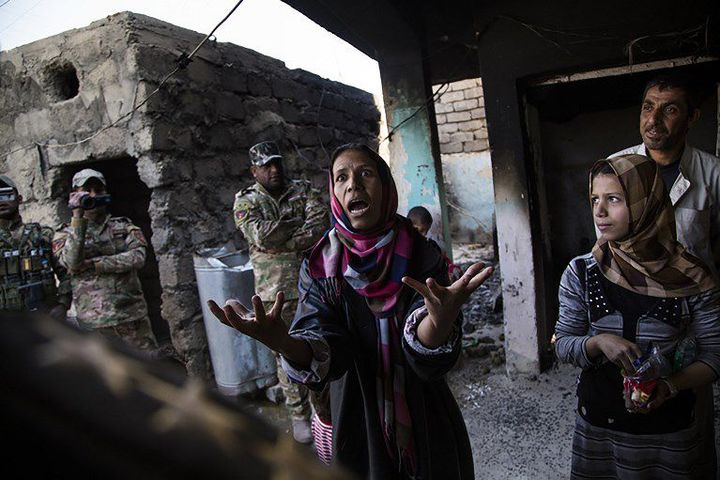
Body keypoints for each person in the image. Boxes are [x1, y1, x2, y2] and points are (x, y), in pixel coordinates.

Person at [212, 143, 492, 479]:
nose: (353, 185)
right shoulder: (319, 266)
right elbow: (329, 343)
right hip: (357, 415)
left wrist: (439, 322)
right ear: (334, 192)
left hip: (424, 412)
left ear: (386, 186)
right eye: (341, 177)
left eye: (366, 174)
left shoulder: (423, 253)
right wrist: (284, 342)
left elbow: (428, 337)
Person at [554, 154, 720, 479]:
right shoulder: (581, 272)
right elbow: (562, 344)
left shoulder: (691, 278)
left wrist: (670, 386)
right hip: (599, 426)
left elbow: (715, 356)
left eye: (613, 199)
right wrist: (598, 343)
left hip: (669, 431)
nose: (599, 212)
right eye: (594, 199)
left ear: (647, 202)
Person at [232, 140, 330, 444]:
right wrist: (294, 231)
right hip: (275, 293)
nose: (274, 170)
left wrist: (282, 241)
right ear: (254, 171)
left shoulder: (303, 190)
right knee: (285, 355)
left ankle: (322, 414)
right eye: (266, 166)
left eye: (277, 163)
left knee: (319, 348)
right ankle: (298, 415)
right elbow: (260, 236)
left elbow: (319, 224)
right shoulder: (245, 201)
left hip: (313, 286)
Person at [609, 73, 720, 280]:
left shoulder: (714, 173)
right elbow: (606, 243)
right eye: (648, 107)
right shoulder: (614, 168)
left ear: (692, 117)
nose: (653, 120)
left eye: (670, 110)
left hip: (696, 297)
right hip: (635, 295)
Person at [53, 169, 157, 352]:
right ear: (75, 194)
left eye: (98, 190)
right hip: (94, 323)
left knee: (149, 370)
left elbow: (137, 258)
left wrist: (95, 264)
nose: (93, 195)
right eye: (87, 190)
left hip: (130, 316)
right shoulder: (64, 233)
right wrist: (77, 218)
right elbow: (72, 262)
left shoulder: (123, 226)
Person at [0, 175, 69, 316]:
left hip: (44, 318)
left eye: (6, 196)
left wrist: (63, 303)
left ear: (19, 199)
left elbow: (67, 272)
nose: (1, 202)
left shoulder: (44, 234)